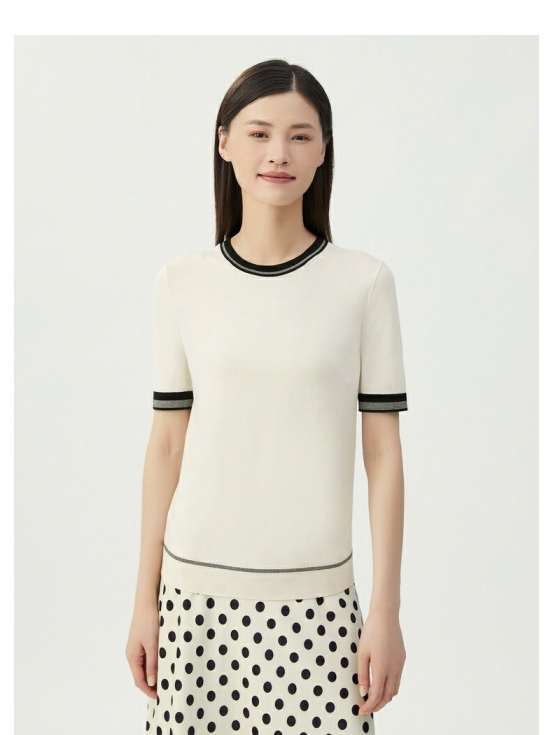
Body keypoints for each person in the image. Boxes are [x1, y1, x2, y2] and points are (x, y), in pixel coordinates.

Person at [126, 58, 408, 734]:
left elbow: (383, 456)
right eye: (258, 133)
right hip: (193, 599)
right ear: (224, 143)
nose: (278, 153)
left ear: (323, 150)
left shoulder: (364, 283)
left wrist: (385, 610)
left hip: (317, 599)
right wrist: (143, 600)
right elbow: (167, 445)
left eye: (300, 136)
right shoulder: (180, 283)